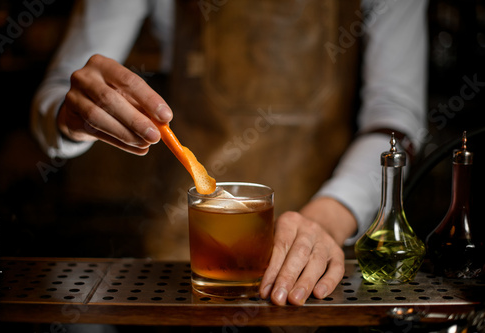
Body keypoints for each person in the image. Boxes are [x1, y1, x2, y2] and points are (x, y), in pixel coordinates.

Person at [31, 0, 428, 306]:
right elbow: (54, 96)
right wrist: (70, 119)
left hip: (319, 262)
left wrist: (327, 218)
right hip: (178, 265)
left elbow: (395, 118)